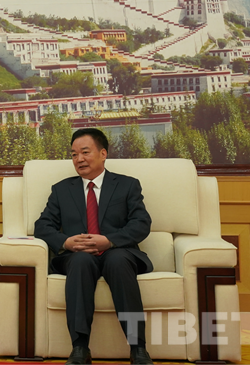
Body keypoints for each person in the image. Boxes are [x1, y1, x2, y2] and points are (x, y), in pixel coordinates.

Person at [34, 128, 154, 365]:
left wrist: (109, 240)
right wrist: (66, 242)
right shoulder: (61, 190)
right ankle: (79, 348)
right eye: (74, 154)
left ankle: (138, 348)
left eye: (85, 152)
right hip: (77, 255)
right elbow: (43, 226)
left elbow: (141, 223)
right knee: (80, 261)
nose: (79, 159)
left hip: (118, 251)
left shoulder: (127, 185)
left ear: (103, 153)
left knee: (117, 260)